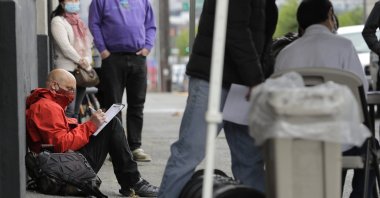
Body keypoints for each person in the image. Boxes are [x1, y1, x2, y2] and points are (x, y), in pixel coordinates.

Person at [158, 0, 278, 197]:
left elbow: (262, 40)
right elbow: (235, 29)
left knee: (250, 160)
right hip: (213, 78)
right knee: (189, 152)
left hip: (242, 84)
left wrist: (260, 77)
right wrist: (256, 79)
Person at [274, 1, 372, 198]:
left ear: (301, 24)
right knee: (367, 142)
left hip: (297, 141)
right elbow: (362, 90)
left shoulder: (285, 54)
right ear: (330, 15)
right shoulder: (344, 46)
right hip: (340, 141)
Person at [25, 69, 159, 197]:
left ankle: (131, 182)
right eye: (69, 89)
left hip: (66, 163)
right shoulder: (47, 107)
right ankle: (133, 182)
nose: (72, 94)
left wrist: (91, 124)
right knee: (112, 125)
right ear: (54, 85)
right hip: (64, 167)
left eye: (74, 90)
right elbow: (62, 145)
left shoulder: (49, 104)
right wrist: (91, 125)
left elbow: (61, 137)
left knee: (108, 124)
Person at [88, 0, 156, 162]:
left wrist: (147, 48)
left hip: (138, 57)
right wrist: (103, 51)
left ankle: (135, 147)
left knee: (137, 104)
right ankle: (117, 149)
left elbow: (150, 26)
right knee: (113, 105)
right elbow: (94, 24)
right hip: (112, 58)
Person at [50, 0, 93, 120]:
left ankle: (74, 137)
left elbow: (88, 45)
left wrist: (87, 60)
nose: (74, 2)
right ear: (62, 3)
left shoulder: (80, 22)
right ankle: (66, 137)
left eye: (76, 0)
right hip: (67, 71)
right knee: (68, 109)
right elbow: (65, 47)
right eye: (71, 0)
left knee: (75, 112)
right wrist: (81, 60)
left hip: (81, 73)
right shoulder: (58, 21)